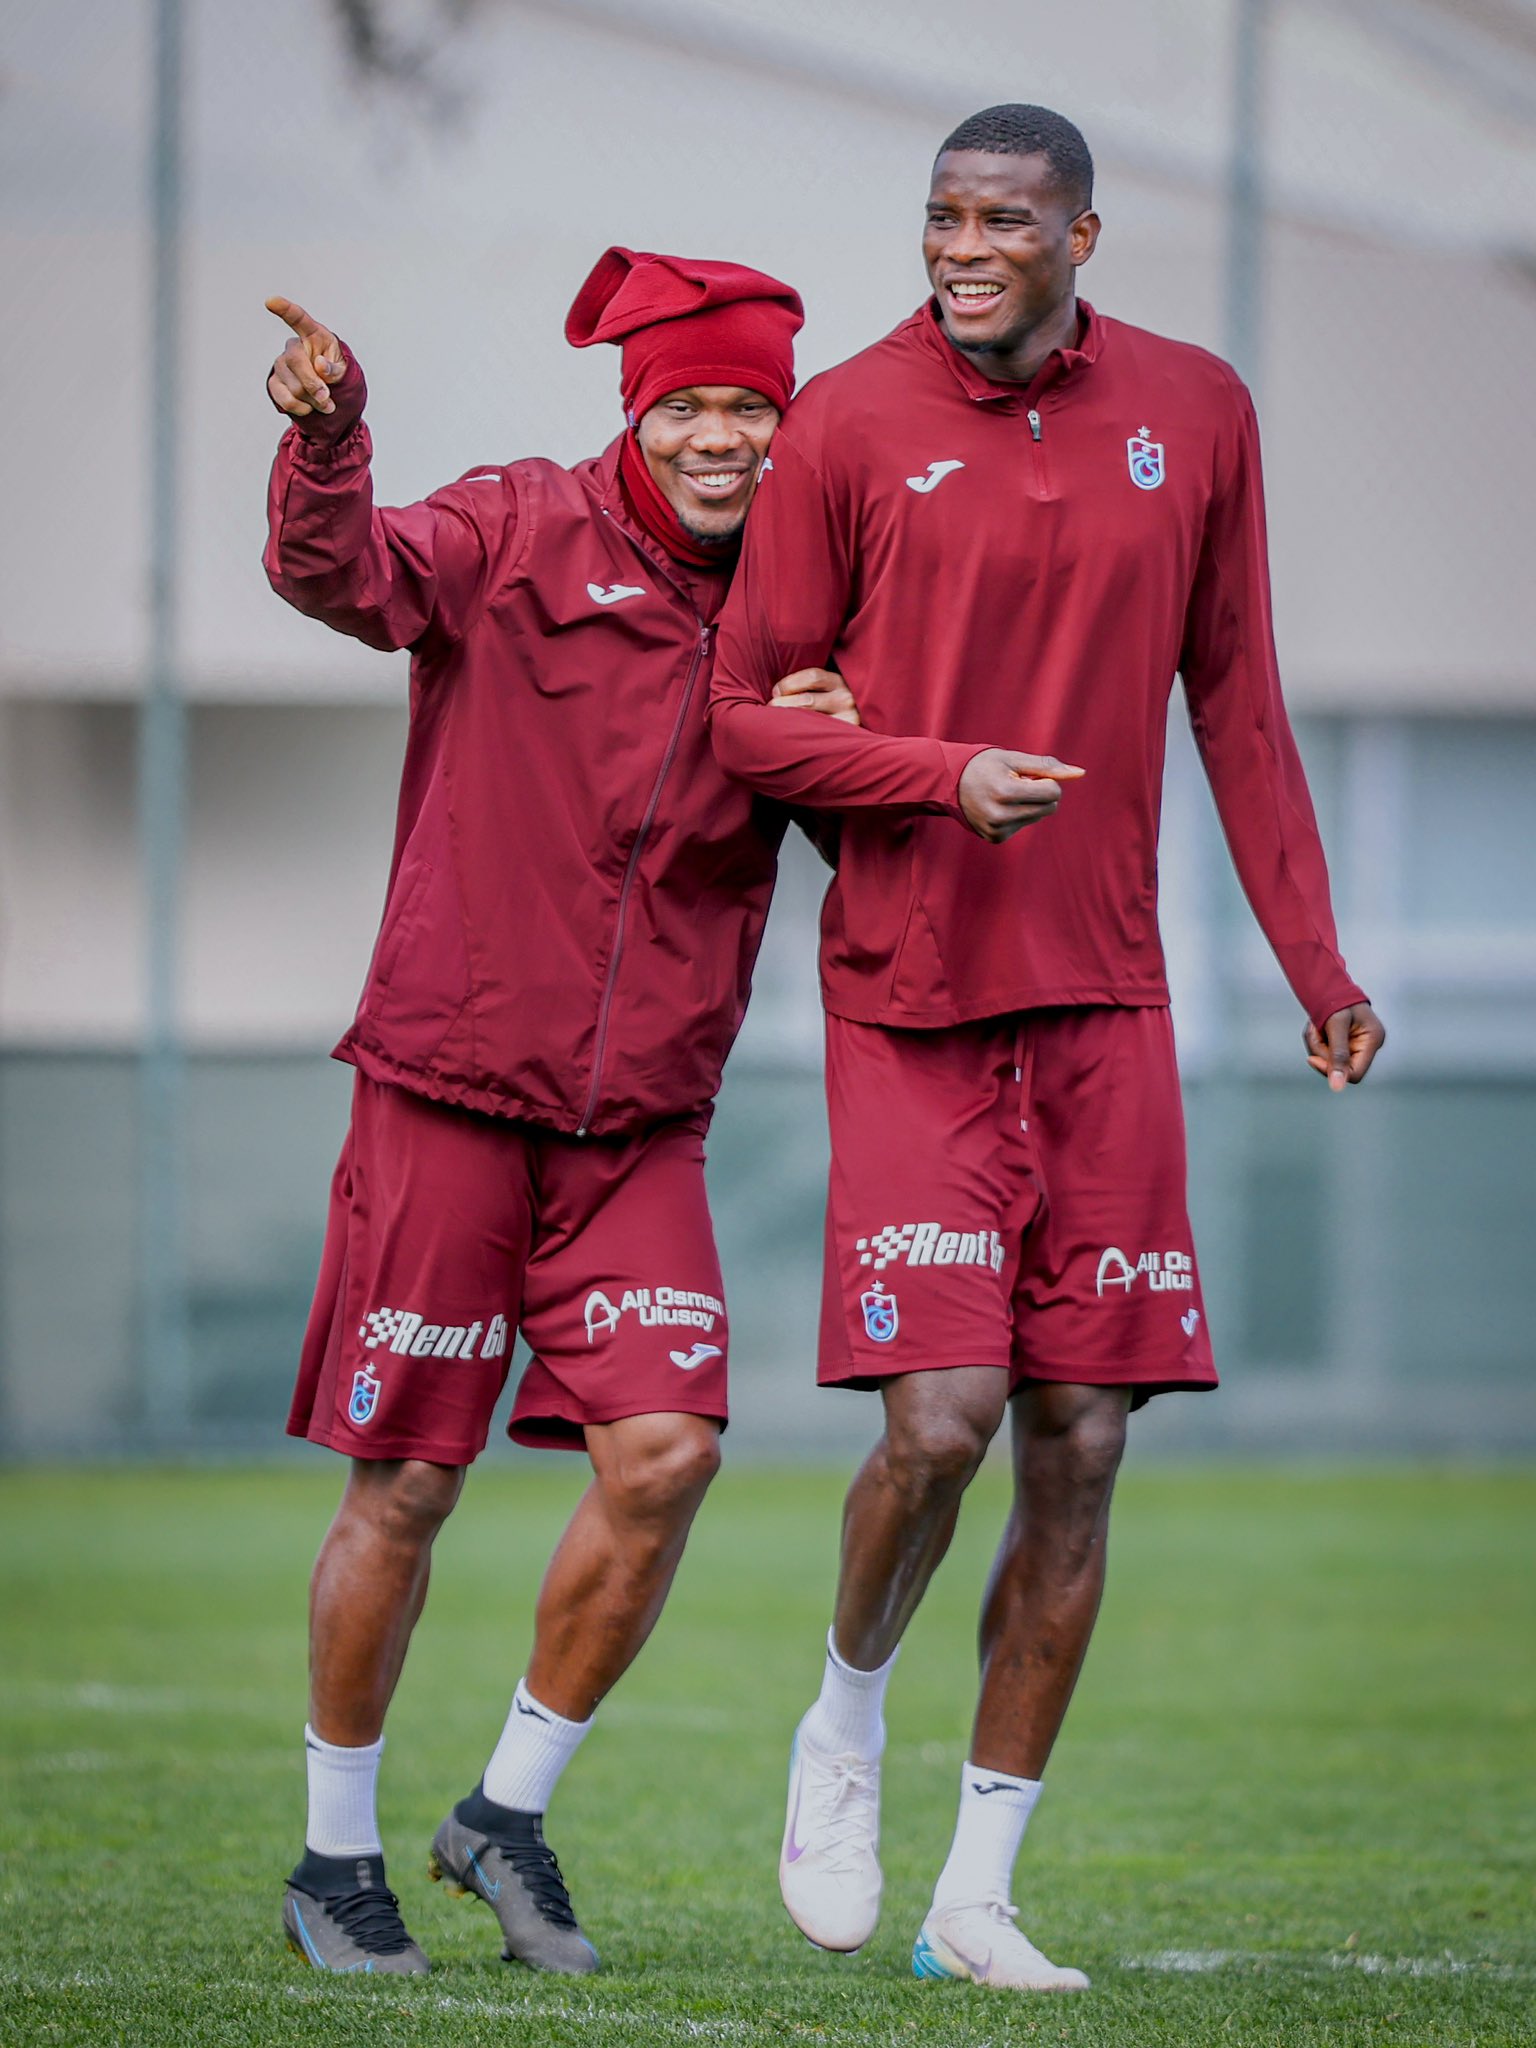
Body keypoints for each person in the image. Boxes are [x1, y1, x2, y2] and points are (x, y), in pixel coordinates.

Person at [709, 103, 1386, 1994]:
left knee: (1080, 1443)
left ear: (1083, 234)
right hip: (911, 1001)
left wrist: (1313, 956)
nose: (964, 244)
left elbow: (1240, 696)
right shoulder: (845, 420)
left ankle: (976, 1892)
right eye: (942, 214)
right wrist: (934, 779)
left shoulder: (1198, 411)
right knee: (941, 1426)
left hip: (1109, 1005)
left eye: (1003, 217)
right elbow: (745, 716)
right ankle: (840, 1732)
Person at [263, 246, 854, 1978]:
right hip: (447, 1087)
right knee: (408, 1487)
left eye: (755, 405)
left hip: (643, 1126)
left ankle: (506, 1812)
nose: (728, 437)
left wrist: (855, 731)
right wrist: (329, 438)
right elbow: (348, 578)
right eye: (694, 406)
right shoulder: (520, 526)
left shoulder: (807, 608)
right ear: (640, 413)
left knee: (668, 1456)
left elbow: (869, 817)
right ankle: (334, 1856)